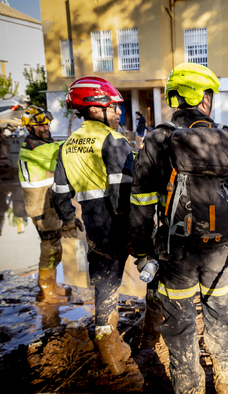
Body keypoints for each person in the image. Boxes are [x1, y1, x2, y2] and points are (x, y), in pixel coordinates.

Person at [129, 63, 228, 394]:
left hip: (175, 251)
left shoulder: (157, 139)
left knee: (180, 326)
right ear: (205, 98)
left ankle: (189, 387)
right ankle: (226, 379)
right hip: (221, 250)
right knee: (219, 316)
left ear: (176, 98)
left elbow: (140, 204)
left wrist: (142, 253)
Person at [52, 76, 133, 375]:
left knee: (104, 282)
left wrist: (69, 219)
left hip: (93, 223)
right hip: (119, 221)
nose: (118, 113)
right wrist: (133, 228)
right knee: (157, 268)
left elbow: (60, 192)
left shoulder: (67, 145)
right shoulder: (113, 140)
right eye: (113, 108)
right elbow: (122, 189)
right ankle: (139, 338)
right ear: (95, 109)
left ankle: (107, 343)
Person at [18, 105, 71, 303]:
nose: (45, 127)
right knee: (49, 247)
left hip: (47, 204)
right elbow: (63, 151)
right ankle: (46, 291)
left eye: (46, 123)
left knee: (55, 246)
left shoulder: (41, 143)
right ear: (29, 128)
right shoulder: (35, 147)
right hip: (40, 206)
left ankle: (52, 286)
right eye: (39, 125)